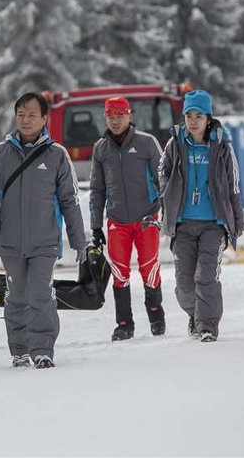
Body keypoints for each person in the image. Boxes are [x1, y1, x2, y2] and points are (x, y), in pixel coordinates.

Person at [0, 92, 87, 369]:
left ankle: (42, 349)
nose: (25, 119)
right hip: (11, 241)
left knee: (40, 294)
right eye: (21, 114)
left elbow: (70, 200)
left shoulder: (57, 155)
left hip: (45, 241)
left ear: (44, 119)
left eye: (32, 114)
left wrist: (79, 241)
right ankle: (20, 349)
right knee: (17, 295)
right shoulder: (0, 153)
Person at [159, 90, 244, 342]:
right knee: (185, 283)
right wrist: (167, 196)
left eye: (199, 115)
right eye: (189, 115)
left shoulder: (222, 145)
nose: (193, 121)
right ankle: (195, 314)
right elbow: (162, 172)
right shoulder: (175, 143)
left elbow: (233, 184)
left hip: (213, 223)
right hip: (183, 223)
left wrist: (236, 219)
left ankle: (207, 326)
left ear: (209, 118)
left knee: (205, 276)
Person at [90, 97, 165, 341]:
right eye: (111, 115)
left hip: (147, 218)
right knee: (119, 272)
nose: (115, 119)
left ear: (130, 116)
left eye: (120, 115)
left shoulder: (146, 143)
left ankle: (155, 314)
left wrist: (165, 214)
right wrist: (95, 224)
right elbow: (97, 189)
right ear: (105, 118)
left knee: (149, 268)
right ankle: (124, 324)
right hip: (117, 220)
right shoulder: (100, 148)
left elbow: (162, 181)